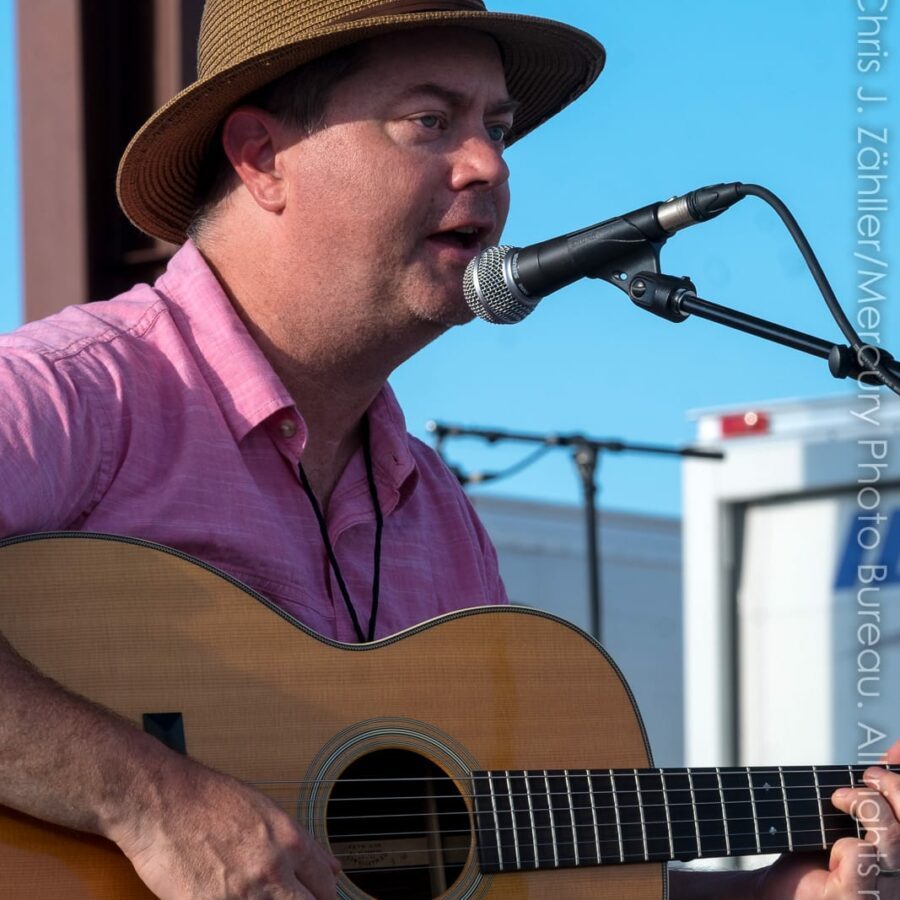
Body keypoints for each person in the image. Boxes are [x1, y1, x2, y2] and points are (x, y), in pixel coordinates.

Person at [0, 1, 898, 897]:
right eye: (430, 122)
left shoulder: (435, 513)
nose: (491, 166)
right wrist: (153, 801)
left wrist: (774, 894)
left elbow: (508, 875)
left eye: (497, 127)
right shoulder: (81, 395)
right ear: (261, 158)